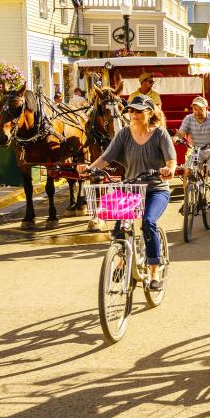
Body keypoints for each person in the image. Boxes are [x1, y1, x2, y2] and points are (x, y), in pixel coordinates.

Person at [77, 95, 176, 290]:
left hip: (156, 189)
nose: (134, 114)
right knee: (119, 227)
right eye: (131, 110)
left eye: (139, 111)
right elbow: (105, 159)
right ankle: (122, 259)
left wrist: (168, 170)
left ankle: (154, 269)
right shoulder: (123, 134)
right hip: (131, 187)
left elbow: (171, 160)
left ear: (149, 113)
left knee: (148, 222)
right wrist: (89, 169)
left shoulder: (160, 134)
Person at [175, 96, 210, 212]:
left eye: (200, 109)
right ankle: (187, 201)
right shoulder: (188, 119)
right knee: (187, 171)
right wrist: (177, 137)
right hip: (196, 150)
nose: (197, 112)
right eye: (195, 109)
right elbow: (181, 132)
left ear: (206, 108)